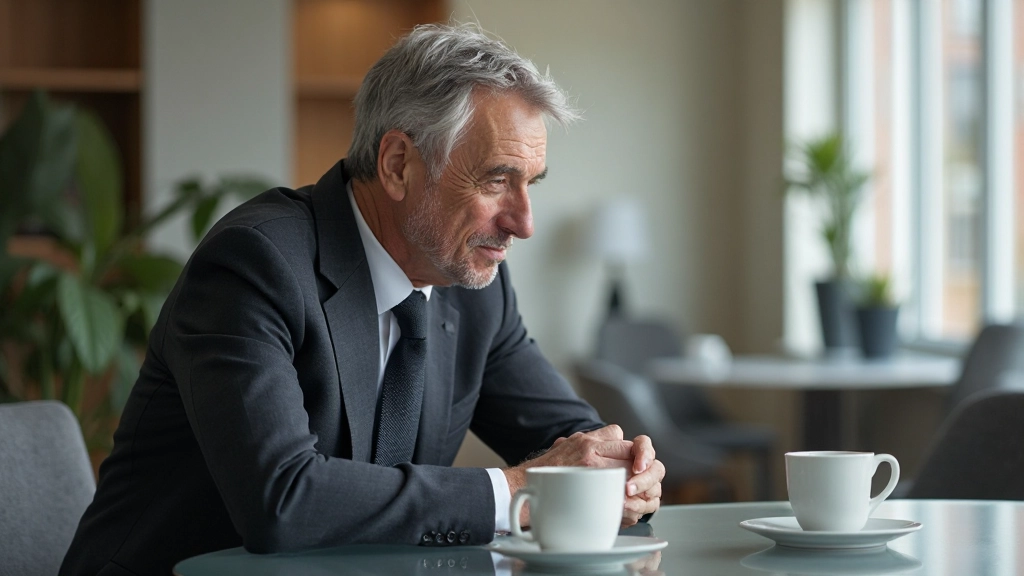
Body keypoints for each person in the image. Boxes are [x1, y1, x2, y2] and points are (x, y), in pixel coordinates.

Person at [60, 23, 665, 576]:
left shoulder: (474, 284)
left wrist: (621, 471)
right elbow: (283, 500)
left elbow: (571, 439)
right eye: (495, 180)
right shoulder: (254, 263)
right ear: (398, 164)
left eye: (529, 184)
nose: (524, 223)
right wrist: (513, 490)